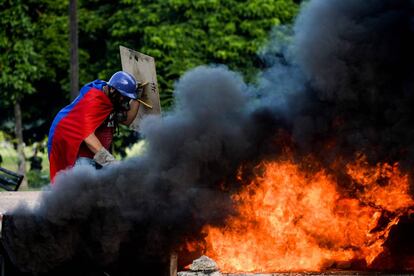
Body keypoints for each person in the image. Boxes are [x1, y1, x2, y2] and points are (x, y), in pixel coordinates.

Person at [47, 71, 141, 182]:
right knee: (84, 189)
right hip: (77, 148)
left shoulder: (111, 99)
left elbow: (126, 120)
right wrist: (111, 162)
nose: (124, 101)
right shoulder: (93, 101)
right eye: (123, 97)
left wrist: (136, 99)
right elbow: (88, 137)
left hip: (96, 151)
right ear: (112, 90)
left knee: (102, 190)